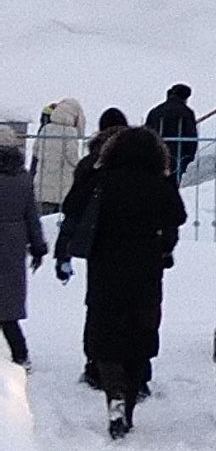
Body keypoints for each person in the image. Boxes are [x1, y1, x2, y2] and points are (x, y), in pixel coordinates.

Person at [84, 124, 185, 439]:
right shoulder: (158, 184)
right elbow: (177, 215)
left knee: (105, 337)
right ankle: (129, 403)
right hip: (146, 272)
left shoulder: (102, 181)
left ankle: (113, 393)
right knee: (139, 337)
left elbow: (74, 207)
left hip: (105, 270)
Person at [55, 106, 129, 386]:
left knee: (98, 306)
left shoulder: (91, 164)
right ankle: (134, 370)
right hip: (138, 249)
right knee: (134, 307)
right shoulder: (144, 164)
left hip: (99, 246)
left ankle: (97, 366)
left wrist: (63, 250)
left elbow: (73, 208)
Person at [0, 124, 45, 366]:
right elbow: (32, 217)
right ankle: (20, 353)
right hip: (13, 242)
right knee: (6, 304)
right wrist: (38, 247)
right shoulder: (23, 178)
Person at [30, 98, 84, 214]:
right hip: (62, 188)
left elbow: (36, 152)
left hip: (42, 187)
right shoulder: (70, 132)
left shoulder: (45, 129)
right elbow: (72, 158)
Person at [144, 83, 198, 179]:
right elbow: (191, 137)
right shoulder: (186, 112)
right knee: (172, 185)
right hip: (177, 154)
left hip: (156, 155)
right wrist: (189, 157)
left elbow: (146, 134)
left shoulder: (155, 111)